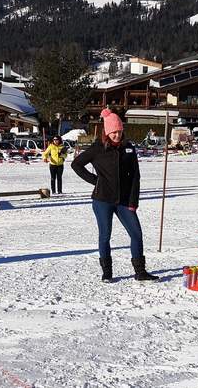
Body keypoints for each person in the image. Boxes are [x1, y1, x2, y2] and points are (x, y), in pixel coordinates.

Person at [71, 108, 158, 283]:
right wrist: (95, 181)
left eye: (119, 131)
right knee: (105, 235)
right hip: (102, 200)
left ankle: (140, 272)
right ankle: (107, 272)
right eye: (114, 132)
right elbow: (76, 164)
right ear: (107, 132)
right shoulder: (97, 148)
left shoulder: (129, 149)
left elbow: (135, 176)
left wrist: (133, 201)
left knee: (136, 234)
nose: (117, 135)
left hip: (125, 200)